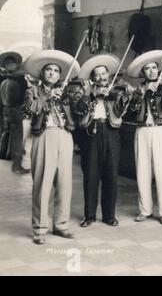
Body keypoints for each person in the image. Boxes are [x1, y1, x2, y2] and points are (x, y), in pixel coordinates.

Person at [22, 50, 80, 245]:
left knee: (65, 184)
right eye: (49, 70)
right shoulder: (32, 91)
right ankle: (39, 228)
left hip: (65, 136)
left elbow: (78, 112)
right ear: (42, 73)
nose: (52, 73)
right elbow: (27, 110)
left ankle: (61, 224)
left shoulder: (66, 92)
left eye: (56, 71)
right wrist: (47, 97)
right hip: (44, 137)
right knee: (42, 184)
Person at [74, 54, 130, 228]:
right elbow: (78, 110)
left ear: (108, 75)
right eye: (97, 74)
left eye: (103, 74)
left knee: (111, 175)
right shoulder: (83, 90)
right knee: (90, 175)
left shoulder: (116, 90)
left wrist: (127, 95)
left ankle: (109, 216)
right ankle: (89, 215)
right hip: (91, 134)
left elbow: (121, 112)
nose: (101, 77)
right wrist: (92, 96)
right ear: (92, 77)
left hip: (111, 132)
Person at [126, 50, 162, 225]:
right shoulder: (138, 89)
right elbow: (131, 112)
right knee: (142, 171)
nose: (152, 72)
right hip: (142, 131)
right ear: (143, 73)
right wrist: (143, 93)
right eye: (147, 69)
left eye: (154, 68)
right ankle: (145, 210)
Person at [0, 51, 29, 174]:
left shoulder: (3, 80)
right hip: (15, 110)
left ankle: (4, 154)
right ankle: (16, 166)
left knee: (6, 132)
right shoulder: (19, 80)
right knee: (17, 137)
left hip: (5, 110)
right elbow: (23, 97)